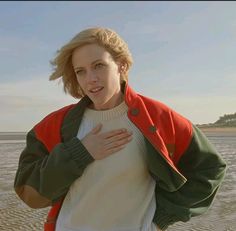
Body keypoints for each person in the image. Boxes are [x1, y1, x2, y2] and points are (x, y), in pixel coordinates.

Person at [14, 27, 227, 231]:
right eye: (81, 71)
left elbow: (210, 168)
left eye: (99, 65)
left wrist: (163, 217)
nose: (91, 79)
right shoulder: (56, 124)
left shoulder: (157, 117)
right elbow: (27, 188)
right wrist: (79, 153)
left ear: (122, 65)